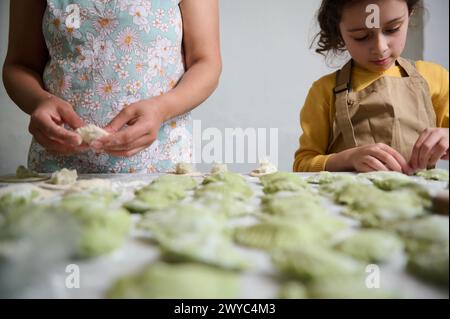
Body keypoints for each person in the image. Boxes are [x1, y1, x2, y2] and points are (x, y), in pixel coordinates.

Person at [3, 0, 221, 173]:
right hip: (57, 170)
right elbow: (20, 65)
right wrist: (40, 102)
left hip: (160, 166)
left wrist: (162, 109)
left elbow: (206, 62)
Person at [293, 0, 449, 173]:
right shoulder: (323, 91)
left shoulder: (436, 78)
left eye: (392, 29)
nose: (380, 48)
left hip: (420, 199)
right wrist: (348, 159)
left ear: (410, 12)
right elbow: (302, 165)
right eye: (361, 36)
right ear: (338, 29)